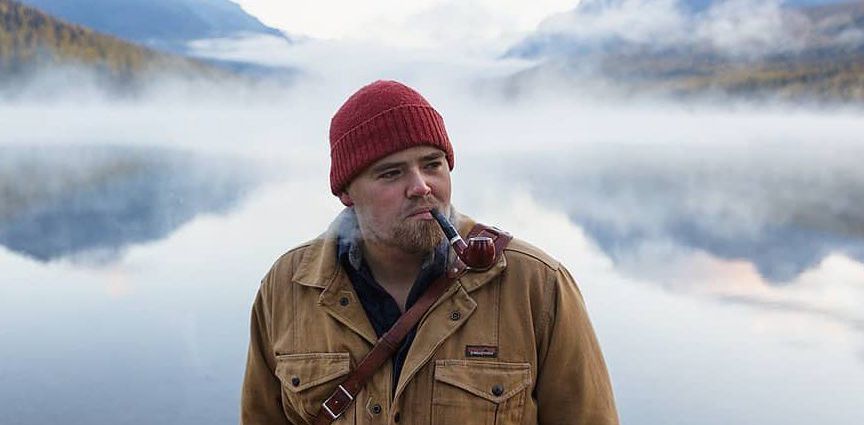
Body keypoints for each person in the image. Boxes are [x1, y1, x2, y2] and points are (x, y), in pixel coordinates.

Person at [241, 80, 619, 425]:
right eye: (391, 173)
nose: (421, 186)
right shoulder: (286, 286)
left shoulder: (537, 284)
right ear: (346, 192)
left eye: (432, 164)